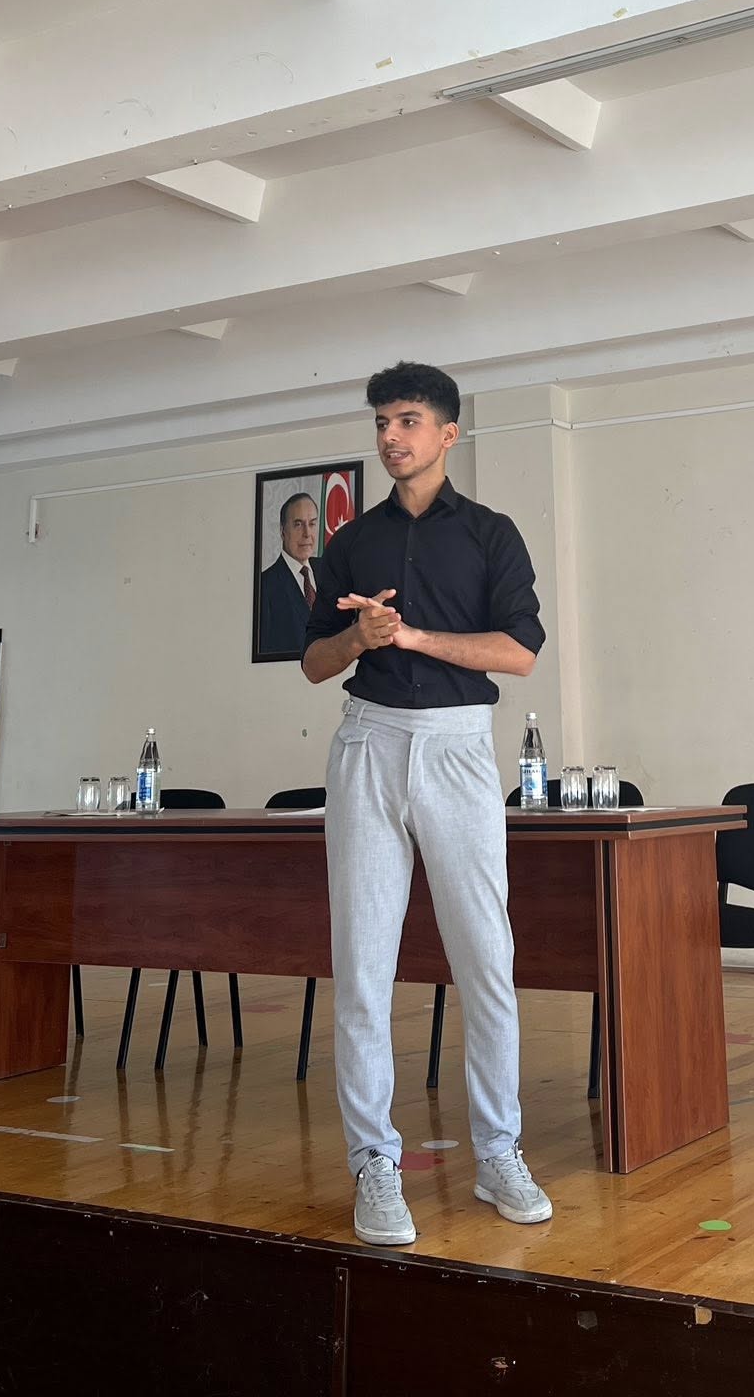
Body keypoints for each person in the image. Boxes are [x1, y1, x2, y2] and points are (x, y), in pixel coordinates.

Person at [301, 360, 552, 1247]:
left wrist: (408, 635)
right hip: (366, 744)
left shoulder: (490, 534)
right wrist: (357, 637)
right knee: (362, 964)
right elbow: (314, 663)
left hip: (456, 746)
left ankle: (498, 1152)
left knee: (486, 958)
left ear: (449, 433)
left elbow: (519, 653)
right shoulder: (352, 542)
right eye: (381, 422)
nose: (389, 436)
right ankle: (374, 1162)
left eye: (407, 420)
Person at [257, 490, 320, 654]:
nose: (307, 534)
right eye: (298, 524)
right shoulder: (264, 587)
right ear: (282, 531)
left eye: (312, 524)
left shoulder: (329, 571)